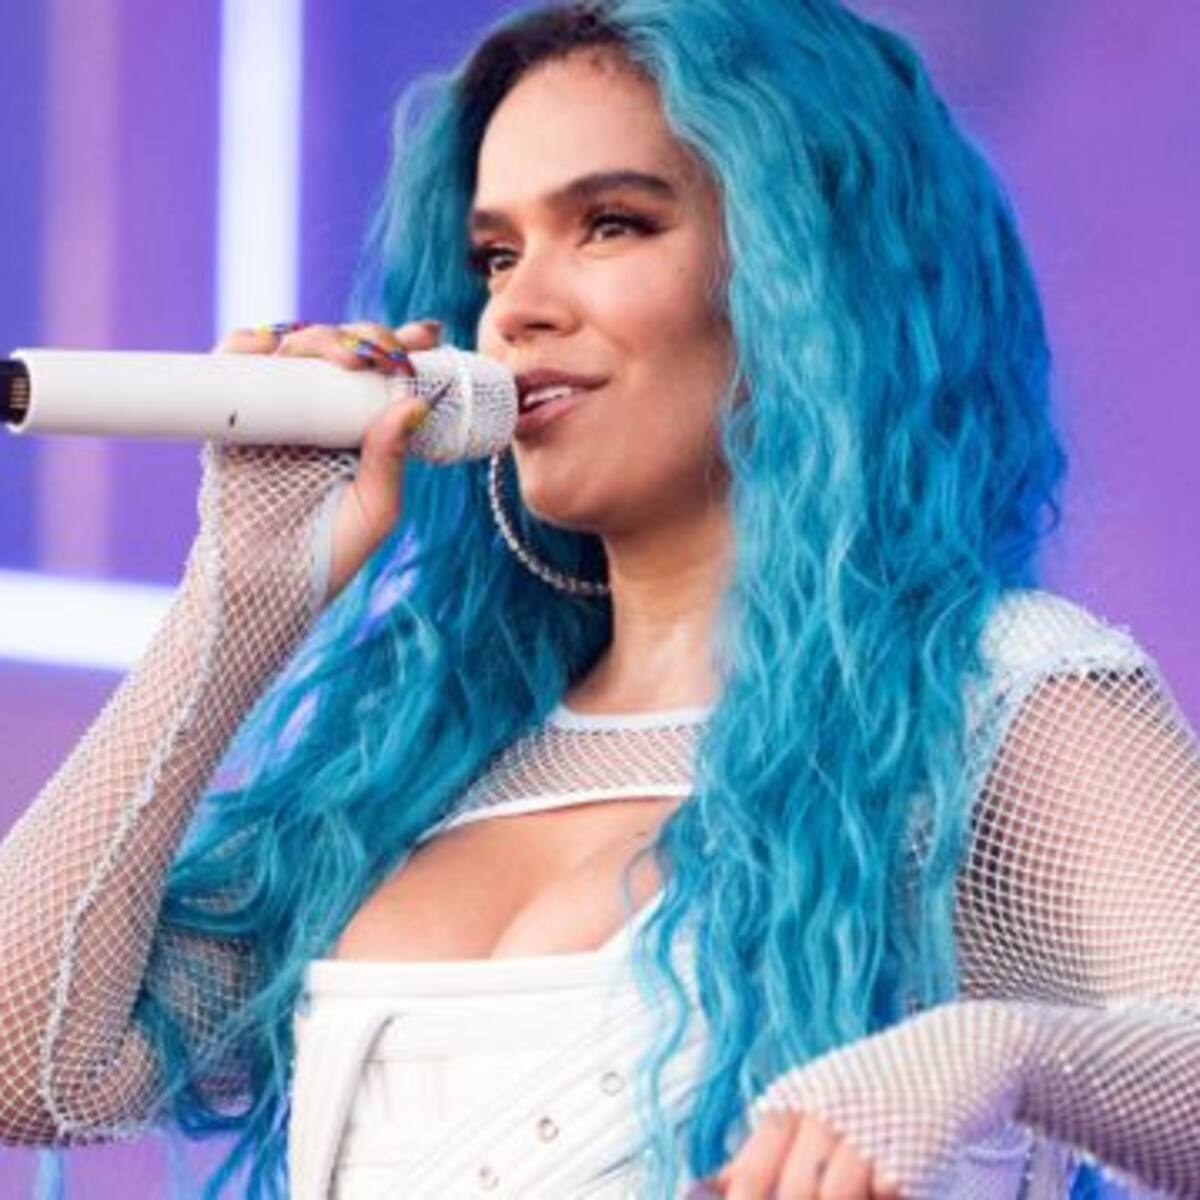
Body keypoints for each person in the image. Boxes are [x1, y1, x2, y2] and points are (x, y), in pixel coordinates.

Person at [1, 1, 1198, 1197]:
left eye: (611, 224)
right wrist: (242, 593)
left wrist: (992, 1052)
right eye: (497, 255)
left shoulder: (985, 698)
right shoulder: (419, 760)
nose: (516, 308)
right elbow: (32, 1066)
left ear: (810, 278)